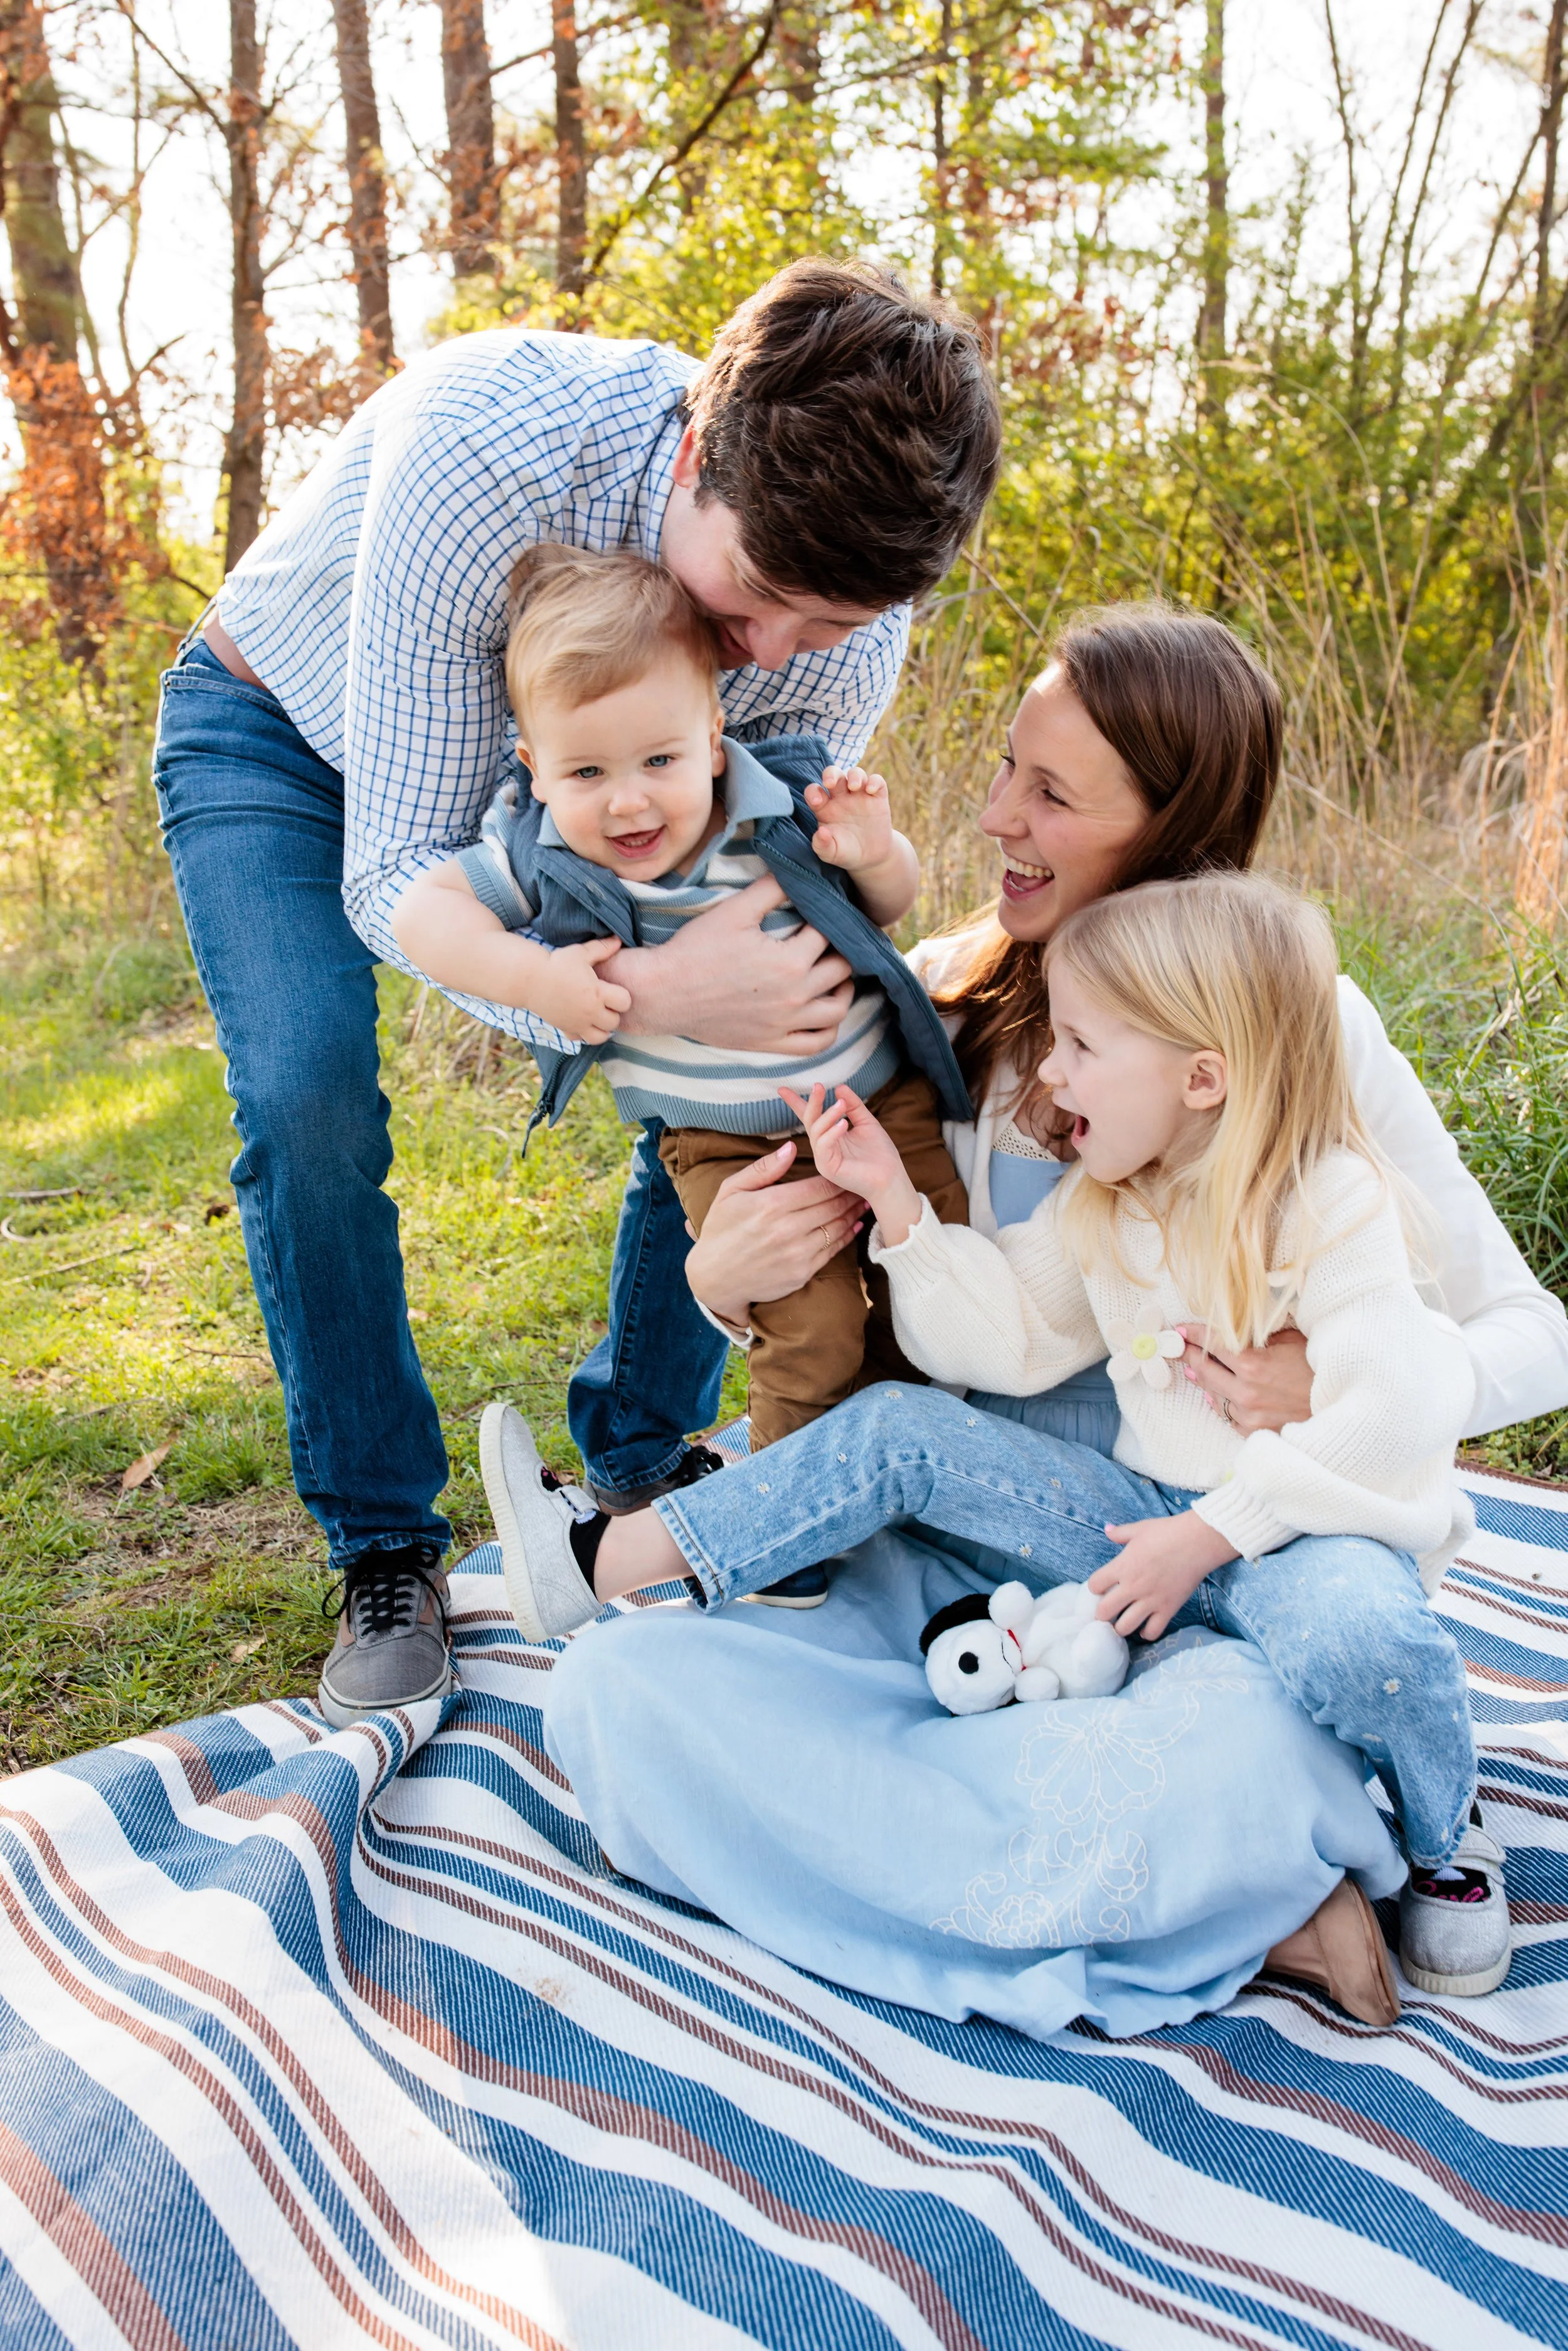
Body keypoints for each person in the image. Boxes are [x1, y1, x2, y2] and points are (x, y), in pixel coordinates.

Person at [493, 605, 1568, 2034]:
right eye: (1009, 765)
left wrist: (1327, 1378)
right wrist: (719, 1287)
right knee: (620, 1697)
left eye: (1051, 794)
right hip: (969, 1525)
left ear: (1167, 826)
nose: (996, 812)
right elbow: (872, 1317)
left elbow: (1526, 1330)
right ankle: (1243, 1904)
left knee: (1252, 1734)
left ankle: (1217, 1865)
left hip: (1221, 1556)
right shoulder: (933, 989)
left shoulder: (1292, 1019)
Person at [151, 259, 1000, 1726]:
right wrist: (649, 985)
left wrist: (773, 959)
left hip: (611, 777)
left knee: (767, 1029)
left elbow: (767, 863)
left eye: (829, 626)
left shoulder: (846, 595)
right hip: (285, 738)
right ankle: (384, 1542)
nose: (779, 656)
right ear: (692, 459)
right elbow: (399, 860)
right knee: (306, 1100)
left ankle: (640, 1445)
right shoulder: (484, 449)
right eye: (761, 603)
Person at [391, 542, 970, 1469]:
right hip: (729, 1141)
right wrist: (539, 979)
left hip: (881, 1097)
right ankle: (789, 1525)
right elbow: (421, 913)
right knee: (812, 1326)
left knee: (935, 1287)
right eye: (585, 774)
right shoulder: (542, 854)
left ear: (712, 737)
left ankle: (909, 1478)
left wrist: (871, 850)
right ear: (535, 769)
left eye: (660, 758)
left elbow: (890, 904)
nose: (628, 803)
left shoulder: (778, 797)